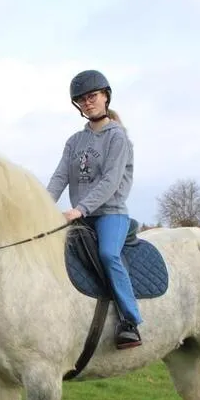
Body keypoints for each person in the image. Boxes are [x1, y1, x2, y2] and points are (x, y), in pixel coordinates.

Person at [47, 69, 143, 349]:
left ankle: (130, 320)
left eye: (92, 96)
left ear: (106, 97)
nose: (87, 103)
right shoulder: (74, 142)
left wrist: (80, 209)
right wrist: (42, 206)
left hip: (110, 213)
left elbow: (110, 181)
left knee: (108, 254)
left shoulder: (118, 137)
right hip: (81, 214)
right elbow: (60, 177)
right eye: (81, 99)